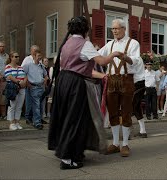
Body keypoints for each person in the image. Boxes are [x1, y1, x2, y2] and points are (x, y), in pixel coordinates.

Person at [48, 16, 123, 170]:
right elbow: (101, 62)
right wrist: (114, 54)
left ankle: (73, 152)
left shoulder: (66, 43)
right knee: (75, 119)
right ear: (85, 29)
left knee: (66, 117)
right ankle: (68, 158)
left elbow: (74, 66)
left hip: (63, 81)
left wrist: (102, 75)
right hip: (75, 84)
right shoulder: (84, 44)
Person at [98, 19, 140, 157]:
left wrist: (122, 56)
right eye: (112, 29)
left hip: (126, 79)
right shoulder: (109, 44)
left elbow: (135, 60)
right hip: (111, 80)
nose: (114, 31)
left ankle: (125, 144)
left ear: (124, 29)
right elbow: (98, 56)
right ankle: (115, 144)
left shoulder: (133, 43)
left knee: (126, 111)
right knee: (113, 111)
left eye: (116, 28)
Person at [23, 50, 48, 130]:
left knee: (40, 105)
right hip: (33, 87)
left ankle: (36, 119)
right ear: (34, 56)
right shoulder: (28, 65)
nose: (39, 58)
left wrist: (45, 81)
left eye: (40, 56)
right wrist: (27, 83)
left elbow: (46, 75)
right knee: (36, 105)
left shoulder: (41, 66)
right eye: (38, 56)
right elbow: (23, 74)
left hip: (41, 87)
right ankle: (37, 122)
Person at [4, 51, 27, 130]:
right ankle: (11, 123)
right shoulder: (8, 67)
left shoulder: (20, 67)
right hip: (13, 89)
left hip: (21, 89)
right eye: (16, 56)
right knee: (12, 106)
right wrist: (18, 82)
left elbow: (25, 76)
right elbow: (9, 76)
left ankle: (17, 122)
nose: (18, 58)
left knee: (19, 106)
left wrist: (24, 82)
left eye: (18, 56)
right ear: (11, 58)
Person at [21, 45, 40, 124]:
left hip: (37, 85)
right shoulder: (27, 59)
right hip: (29, 84)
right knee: (29, 102)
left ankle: (35, 117)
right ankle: (28, 117)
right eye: (35, 50)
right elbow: (23, 71)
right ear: (31, 50)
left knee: (37, 103)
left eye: (37, 50)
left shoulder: (39, 59)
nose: (36, 51)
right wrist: (27, 81)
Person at [132, 55, 147, 138]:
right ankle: (143, 131)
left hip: (137, 84)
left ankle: (127, 132)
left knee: (130, 107)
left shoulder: (134, 58)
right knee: (136, 108)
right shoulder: (138, 57)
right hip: (140, 83)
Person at [0, 42, 9, 118]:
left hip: (4, 80)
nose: (2, 48)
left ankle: (3, 115)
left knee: (2, 98)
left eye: (3, 46)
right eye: (0, 46)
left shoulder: (7, 56)